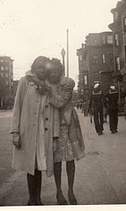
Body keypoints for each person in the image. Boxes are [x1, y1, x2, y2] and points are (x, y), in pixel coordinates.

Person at [10, 56, 60, 206]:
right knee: (30, 166)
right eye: (39, 67)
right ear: (34, 68)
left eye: (45, 68)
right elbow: (17, 106)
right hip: (28, 132)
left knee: (39, 165)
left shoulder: (49, 85)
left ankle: (37, 199)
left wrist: (55, 135)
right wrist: (15, 132)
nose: (42, 71)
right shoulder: (25, 82)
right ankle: (32, 200)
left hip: (43, 131)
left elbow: (54, 111)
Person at [46, 59, 85, 205]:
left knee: (70, 160)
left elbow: (61, 102)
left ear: (61, 71)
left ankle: (70, 189)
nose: (54, 74)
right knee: (56, 162)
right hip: (53, 127)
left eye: (57, 71)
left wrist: (47, 91)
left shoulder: (67, 83)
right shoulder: (48, 83)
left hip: (67, 126)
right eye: (51, 72)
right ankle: (59, 191)